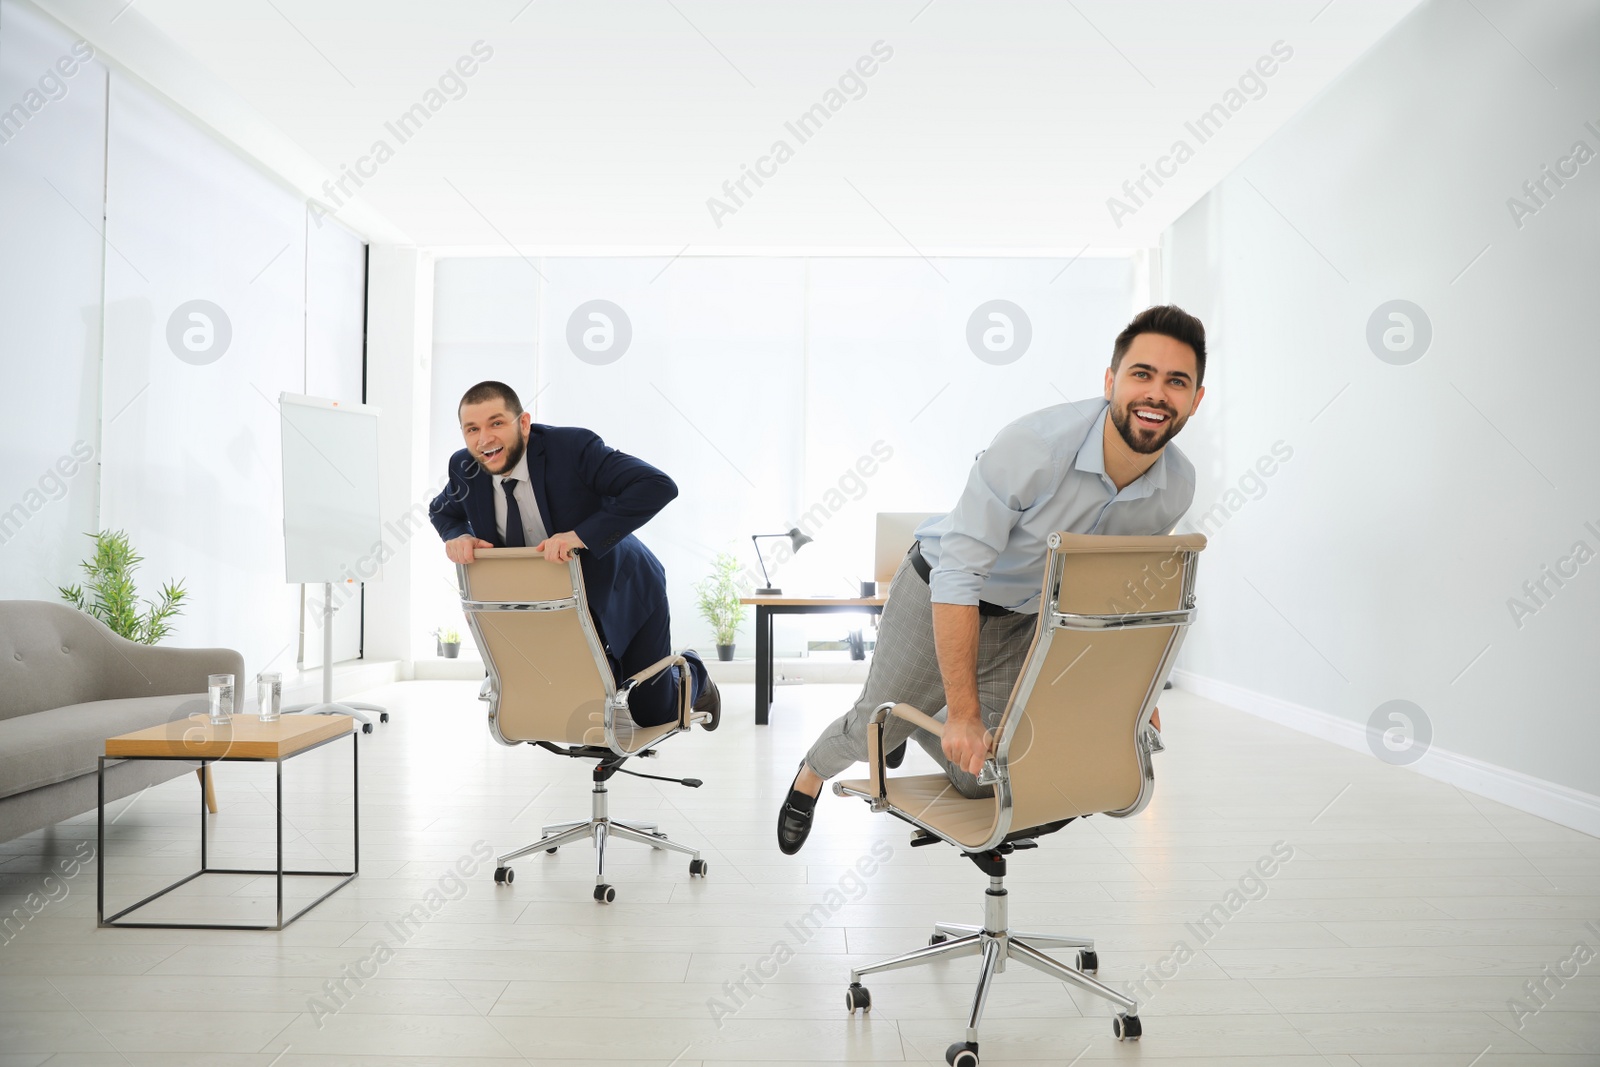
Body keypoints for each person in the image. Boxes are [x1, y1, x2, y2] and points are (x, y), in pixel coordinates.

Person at [776, 305, 1207, 854]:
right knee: (873, 726)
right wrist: (963, 713)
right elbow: (959, 572)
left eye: (1177, 382)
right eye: (1141, 374)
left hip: (1025, 616)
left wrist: (1138, 694)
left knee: (988, 773)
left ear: (1195, 399)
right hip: (941, 588)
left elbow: (1125, 591)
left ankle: (920, 717)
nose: (1156, 394)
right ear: (1110, 382)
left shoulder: (1176, 486)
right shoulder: (1035, 448)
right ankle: (811, 772)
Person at [429, 380, 718, 735]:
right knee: (579, 697)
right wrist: (456, 535)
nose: (484, 439)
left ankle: (696, 674)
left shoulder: (572, 449)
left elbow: (657, 485)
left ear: (523, 423)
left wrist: (581, 535)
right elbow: (442, 511)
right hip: (557, 600)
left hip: (624, 585)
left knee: (652, 710)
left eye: (496, 423)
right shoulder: (466, 468)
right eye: (472, 429)